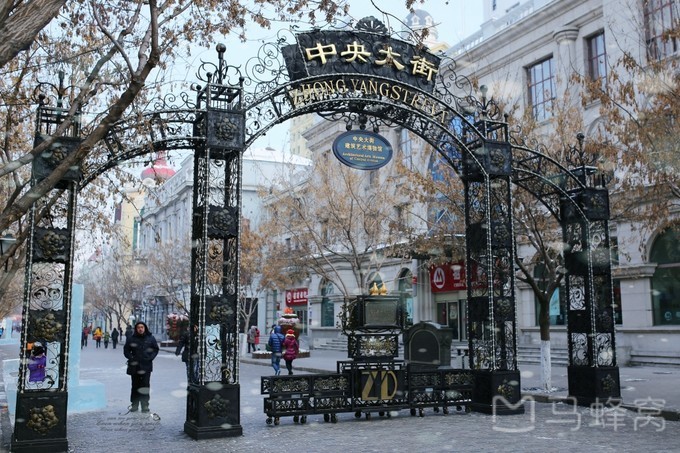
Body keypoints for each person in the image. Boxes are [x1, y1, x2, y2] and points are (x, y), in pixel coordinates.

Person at [123, 321, 159, 413]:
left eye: (142, 327)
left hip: (146, 366)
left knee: (145, 385)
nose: (140, 329)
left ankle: (145, 405)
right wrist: (131, 357)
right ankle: (134, 404)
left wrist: (150, 358)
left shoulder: (150, 338)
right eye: (138, 327)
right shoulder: (131, 338)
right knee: (135, 385)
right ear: (136, 329)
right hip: (135, 366)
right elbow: (126, 350)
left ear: (145, 328)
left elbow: (155, 349)